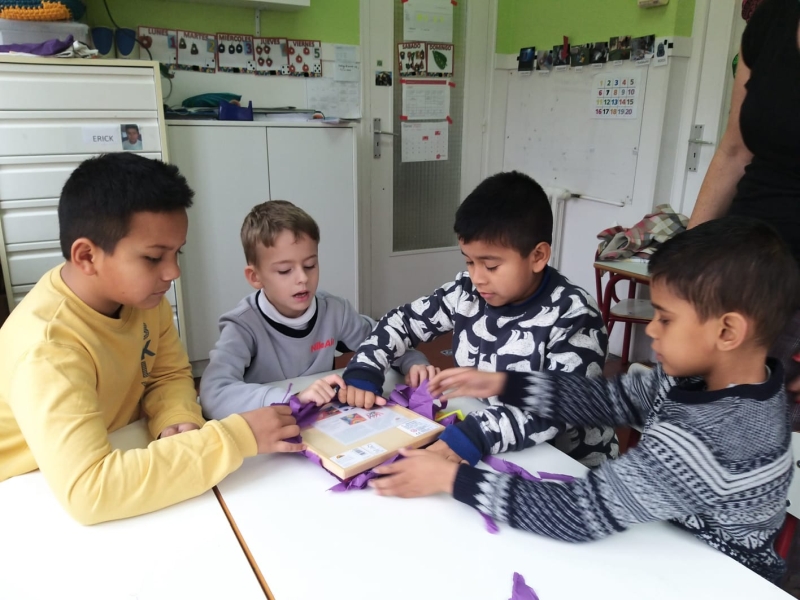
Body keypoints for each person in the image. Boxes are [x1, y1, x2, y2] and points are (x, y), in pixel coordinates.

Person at [370, 217, 796, 584]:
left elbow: (578, 513)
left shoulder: (712, 437)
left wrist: (450, 479)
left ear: (727, 332)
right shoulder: (710, 378)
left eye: (665, 319)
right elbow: (608, 399)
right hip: (667, 544)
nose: (650, 330)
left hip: (717, 580)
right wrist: (506, 384)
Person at [0, 153, 304, 525]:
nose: (173, 272)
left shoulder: (140, 297)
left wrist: (176, 417)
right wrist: (236, 437)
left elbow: (167, 373)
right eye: (153, 258)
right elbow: (91, 492)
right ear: (87, 256)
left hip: (116, 450)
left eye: (177, 252)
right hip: (30, 492)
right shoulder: (47, 350)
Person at [340, 171, 618, 467]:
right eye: (469, 261)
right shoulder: (468, 292)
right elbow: (403, 322)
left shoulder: (574, 315)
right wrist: (366, 368)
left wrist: (474, 434)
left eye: (491, 266)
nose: (477, 277)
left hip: (570, 465)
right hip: (496, 443)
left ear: (538, 256)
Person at [199, 201, 434, 419]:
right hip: (273, 427)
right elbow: (213, 393)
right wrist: (291, 399)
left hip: (321, 422)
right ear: (255, 277)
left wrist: (413, 362)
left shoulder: (335, 310)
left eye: (310, 265)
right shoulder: (243, 325)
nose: (302, 278)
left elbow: (384, 339)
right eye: (285, 271)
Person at [688, 0, 800, 417]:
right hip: (740, 271)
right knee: (703, 420)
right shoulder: (773, 18)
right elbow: (734, 150)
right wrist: (685, 267)